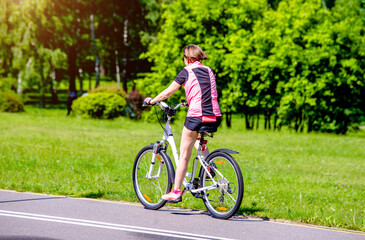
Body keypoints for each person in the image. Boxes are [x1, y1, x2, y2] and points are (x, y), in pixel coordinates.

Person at [144, 44, 222, 202]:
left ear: (188, 59)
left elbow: (168, 92)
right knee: (198, 140)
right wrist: (190, 101)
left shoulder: (186, 71)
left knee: (184, 154)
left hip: (197, 116)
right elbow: (205, 91)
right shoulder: (209, 70)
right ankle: (210, 168)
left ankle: (176, 191)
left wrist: (152, 101)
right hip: (215, 115)